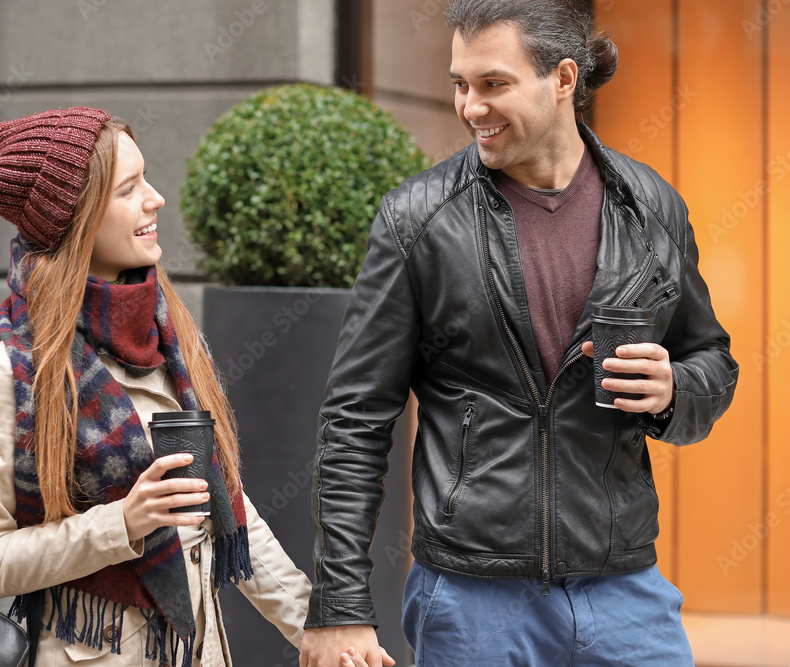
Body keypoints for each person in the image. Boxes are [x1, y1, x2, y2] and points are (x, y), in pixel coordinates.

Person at [299, 1, 739, 666]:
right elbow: (355, 418)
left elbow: (712, 357)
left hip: (624, 590)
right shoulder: (417, 220)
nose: (471, 106)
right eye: (460, 85)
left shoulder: (652, 208)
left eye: (493, 84)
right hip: (472, 598)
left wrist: (675, 387)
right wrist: (340, 604)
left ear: (563, 78)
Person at [0, 107, 390, 667]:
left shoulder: (168, 336)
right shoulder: (7, 373)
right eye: (128, 189)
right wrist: (121, 524)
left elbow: (225, 507)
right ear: (75, 219)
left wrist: (317, 629)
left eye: (145, 178)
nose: (155, 199)